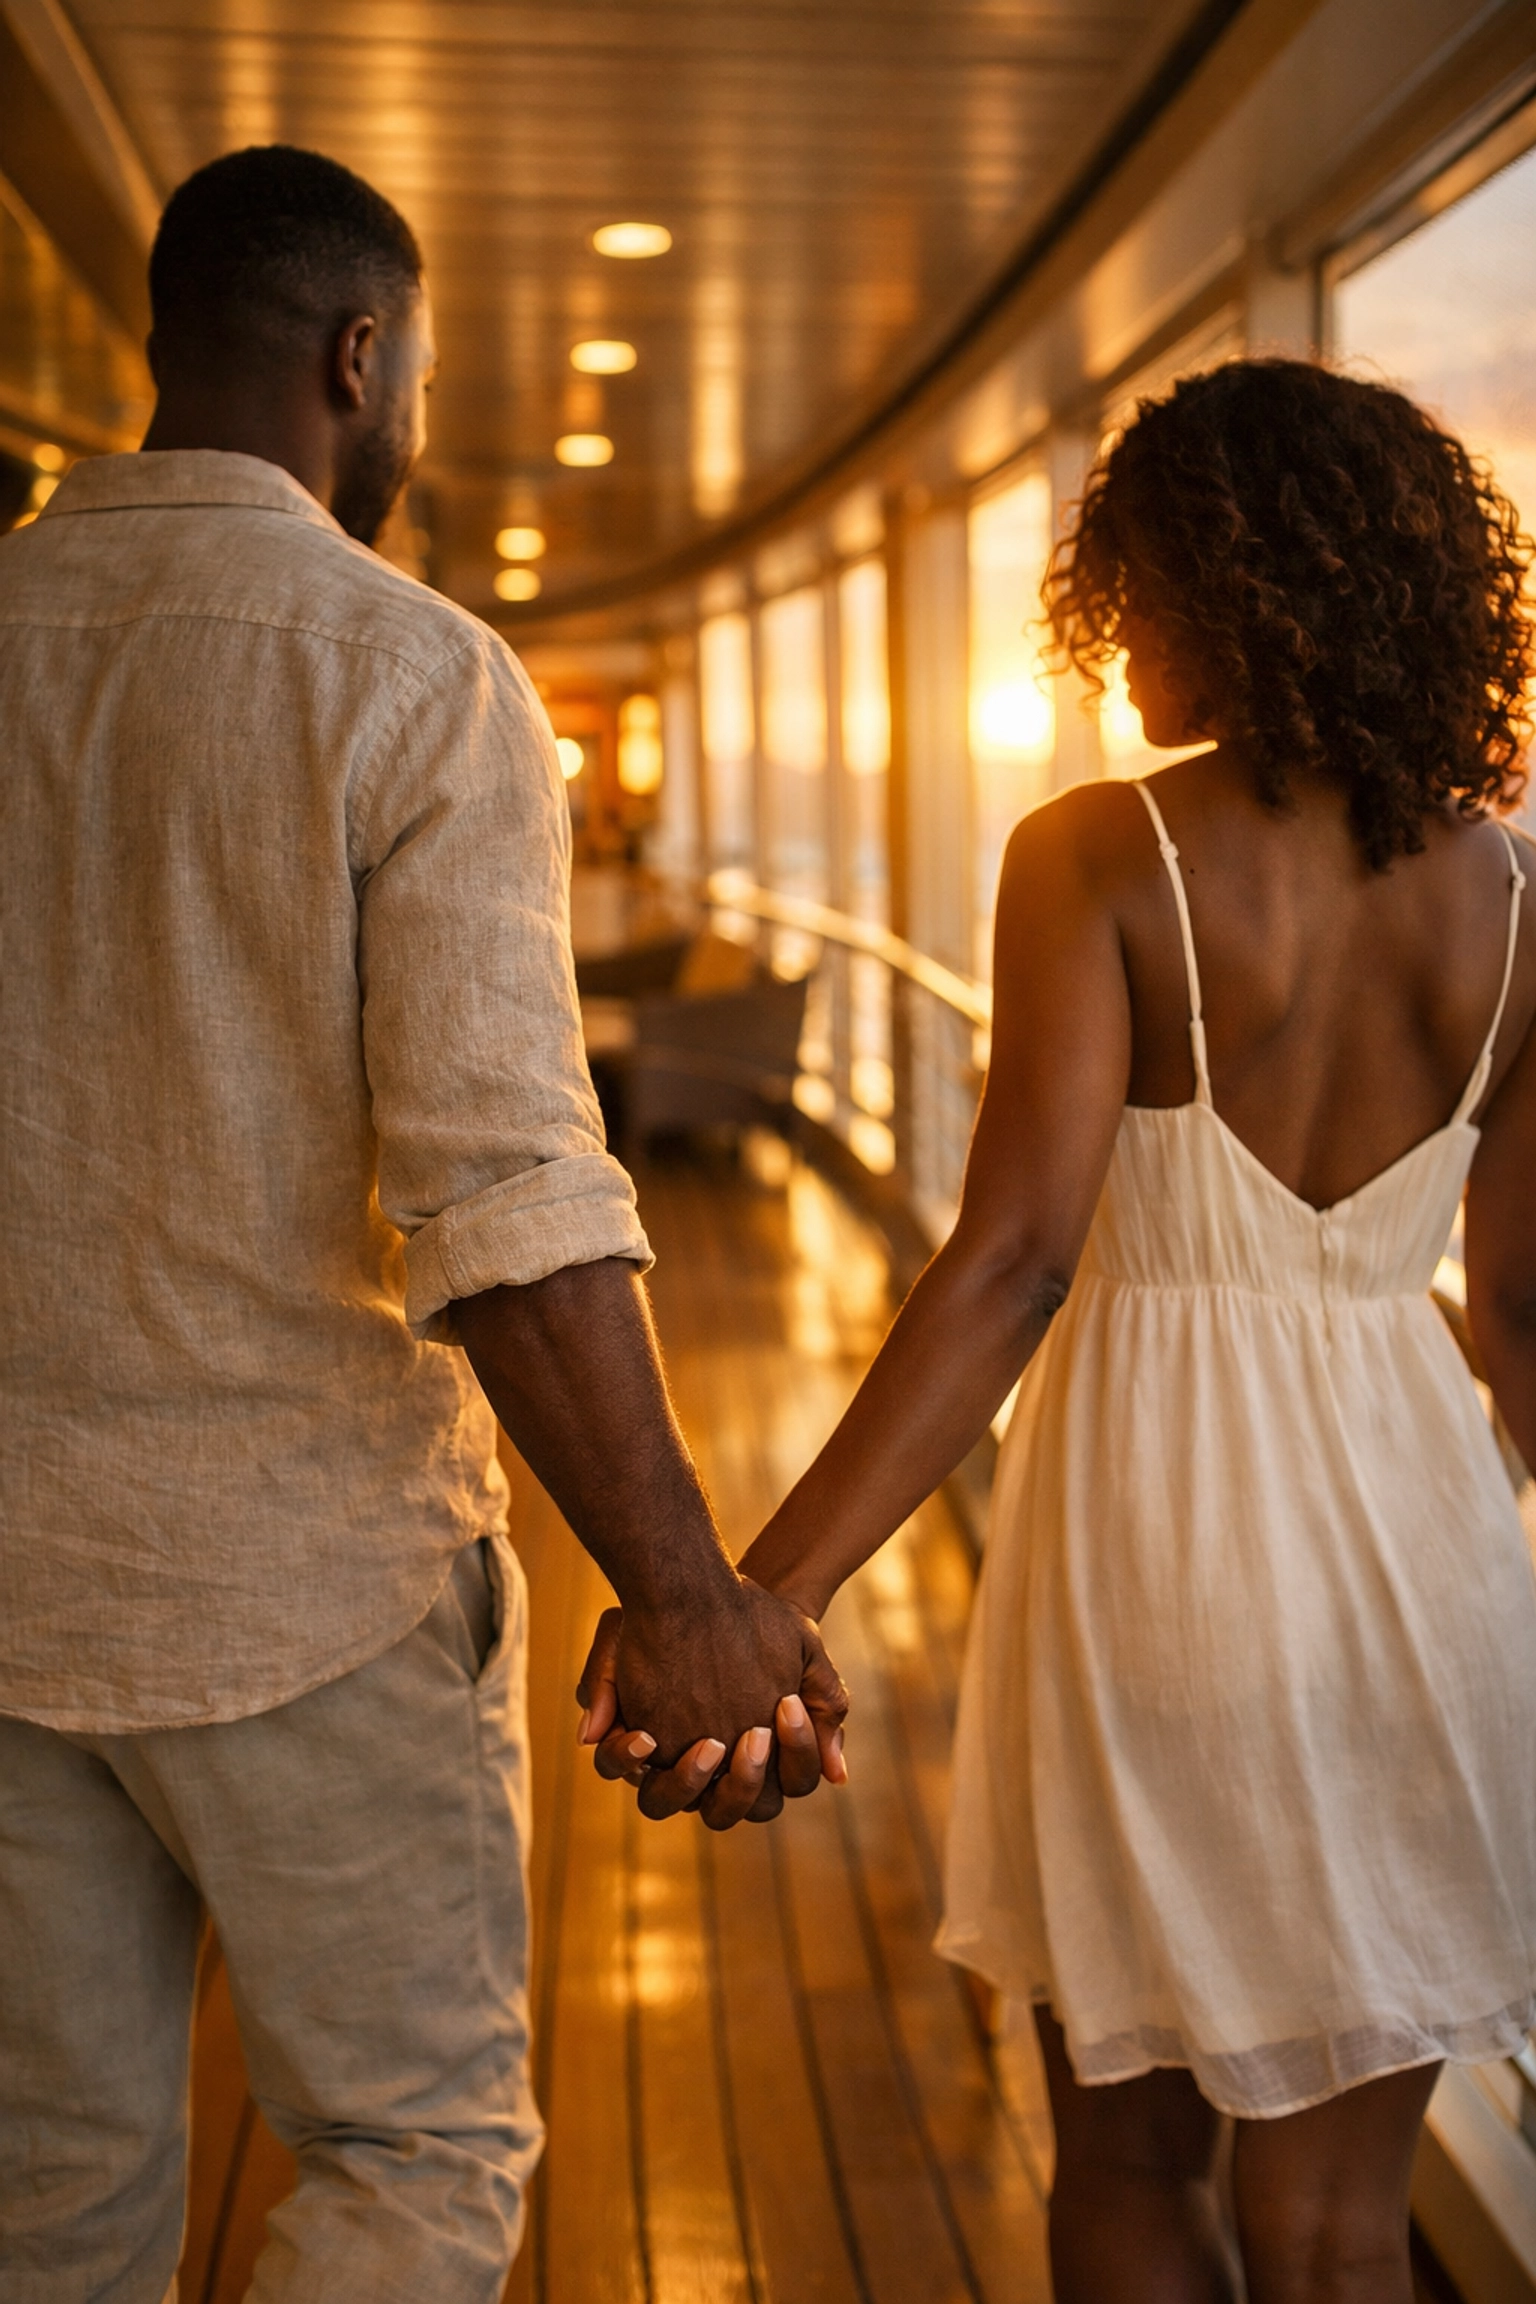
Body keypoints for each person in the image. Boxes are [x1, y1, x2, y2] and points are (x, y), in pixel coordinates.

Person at [589, 361, 1536, 2301]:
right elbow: (1517, 1314)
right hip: (1429, 1563)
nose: (1121, 653)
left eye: (1135, 598)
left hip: (1161, 1561)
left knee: (1124, 2164)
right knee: (1342, 2221)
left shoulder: (1100, 854)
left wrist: (760, 1603)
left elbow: (1016, 1257)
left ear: (1200, 587)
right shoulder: (1513, 895)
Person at [0, 144, 845, 2304]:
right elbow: (500, 1195)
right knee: (406, 2150)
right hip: (306, 1585)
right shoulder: (409, 675)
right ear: (360, 359)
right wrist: (686, 1594)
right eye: (421, 379)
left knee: (49, 2199)